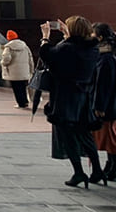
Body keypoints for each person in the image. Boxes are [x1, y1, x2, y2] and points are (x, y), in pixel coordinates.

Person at [39, 16, 104, 188]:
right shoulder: (92, 49)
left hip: (65, 97)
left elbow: (48, 55)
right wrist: (67, 35)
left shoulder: (66, 49)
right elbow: (73, 48)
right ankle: (97, 170)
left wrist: (45, 36)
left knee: (68, 136)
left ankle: (79, 172)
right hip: (84, 97)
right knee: (85, 134)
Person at [91, 23, 116, 181]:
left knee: (110, 138)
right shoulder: (108, 55)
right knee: (109, 138)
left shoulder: (105, 58)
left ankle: (113, 167)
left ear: (99, 37)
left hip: (108, 105)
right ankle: (111, 165)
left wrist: (99, 106)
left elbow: (103, 84)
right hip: (110, 103)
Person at [1, 30, 34, 109]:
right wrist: (31, 69)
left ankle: (21, 103)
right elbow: (30, 58)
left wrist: (3, 63)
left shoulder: (8, 47)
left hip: (14, 72)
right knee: (23, 87)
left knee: (17, 88)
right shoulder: (25, 46)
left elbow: (6, 58)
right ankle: (25, 102)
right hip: (24, 71)